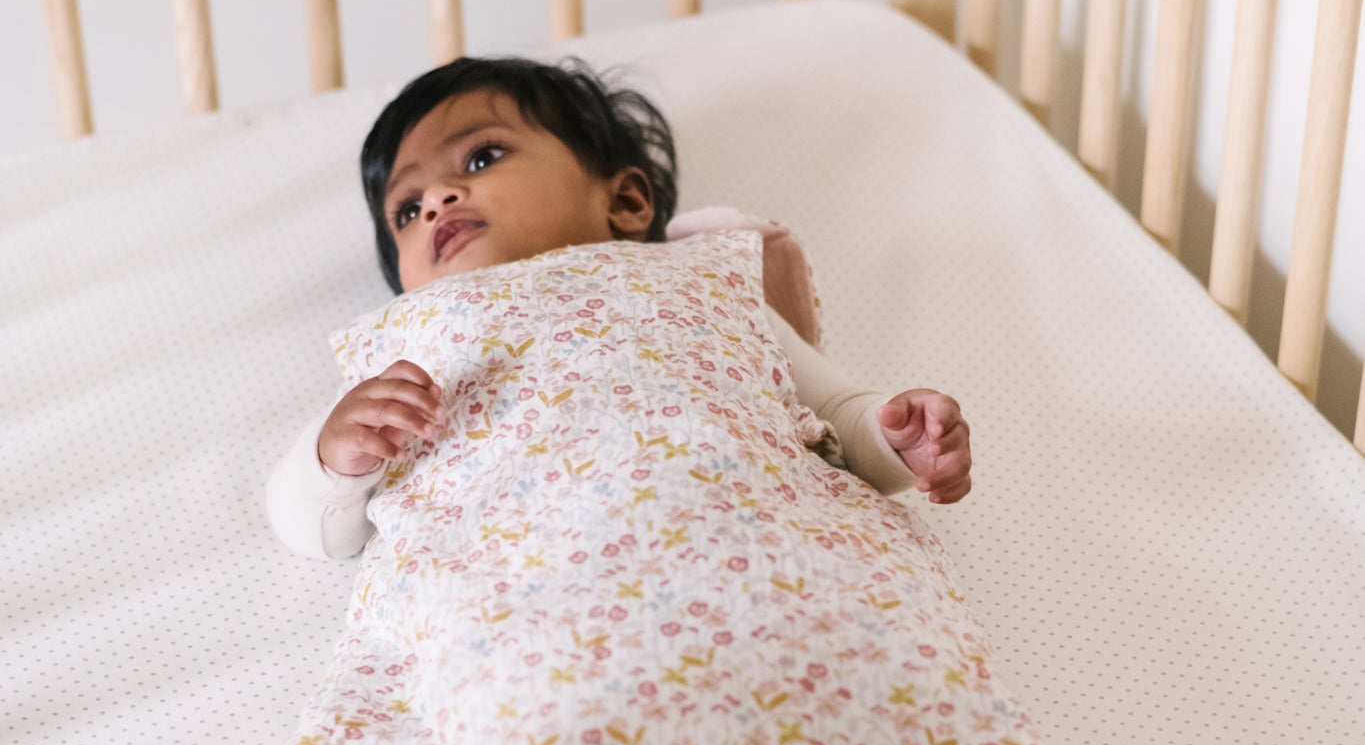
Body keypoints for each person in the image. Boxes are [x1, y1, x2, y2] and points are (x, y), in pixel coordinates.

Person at [266, 56, 971, 559]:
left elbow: (834, 418)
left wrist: (896, 441)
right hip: (516, 587)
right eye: (406, 209)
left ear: (626, 201)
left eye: (480, 159)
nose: (436, 202)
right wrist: (333, 458)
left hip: (754, 549)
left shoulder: (699, 279)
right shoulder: (416, 347)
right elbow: (312, 531)